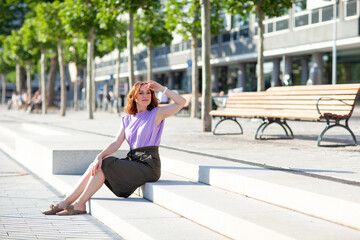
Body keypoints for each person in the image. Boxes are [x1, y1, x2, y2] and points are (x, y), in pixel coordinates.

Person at [42, 80, 186, 215]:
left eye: (148, 92)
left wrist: (162, 89)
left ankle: (79, 204)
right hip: (134, 161)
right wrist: (99, 156)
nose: (145, 96)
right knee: (97, 164)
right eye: (141, 93)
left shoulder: (157, 113)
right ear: (134, 97)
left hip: (149, 163)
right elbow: (116, 143)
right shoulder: (127, 118)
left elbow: (182, 102)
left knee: (106, 163)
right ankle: (65, 203)